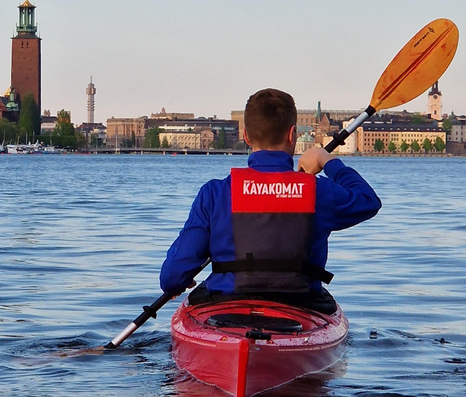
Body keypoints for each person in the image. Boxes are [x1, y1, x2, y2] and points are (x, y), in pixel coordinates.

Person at [159, 88, 381, 314]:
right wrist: (327, 160)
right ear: (292, 134)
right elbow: (368, 201)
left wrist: (178, 282)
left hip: (226, 309)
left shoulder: (214, 193)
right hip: (299, 306)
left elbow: (171, 278)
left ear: (245, 136)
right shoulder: (318, 190)